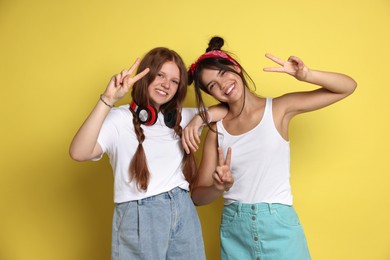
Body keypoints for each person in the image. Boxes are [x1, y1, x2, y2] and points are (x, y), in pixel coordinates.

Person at [187, 36, 357, 260]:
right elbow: (198, 197)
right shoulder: (216, 131)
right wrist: (218, 187)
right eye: (212, 86)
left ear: (236, 67)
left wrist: (307, 75)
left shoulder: (279, 109)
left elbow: (347, 87)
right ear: (212, 95)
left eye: (223, 73)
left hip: (279, 226)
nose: (223, 85)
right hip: (234, 230)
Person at [69, 47, 227, 260]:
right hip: (140, 211)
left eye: (174, 81)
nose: (166, 84)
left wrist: (199, 119)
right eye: (160, 75)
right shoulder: (119, 118)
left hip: (183, 209)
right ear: (146, 75)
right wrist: (107, 99)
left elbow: (227, 109)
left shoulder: (179, 118)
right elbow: (79, 152)